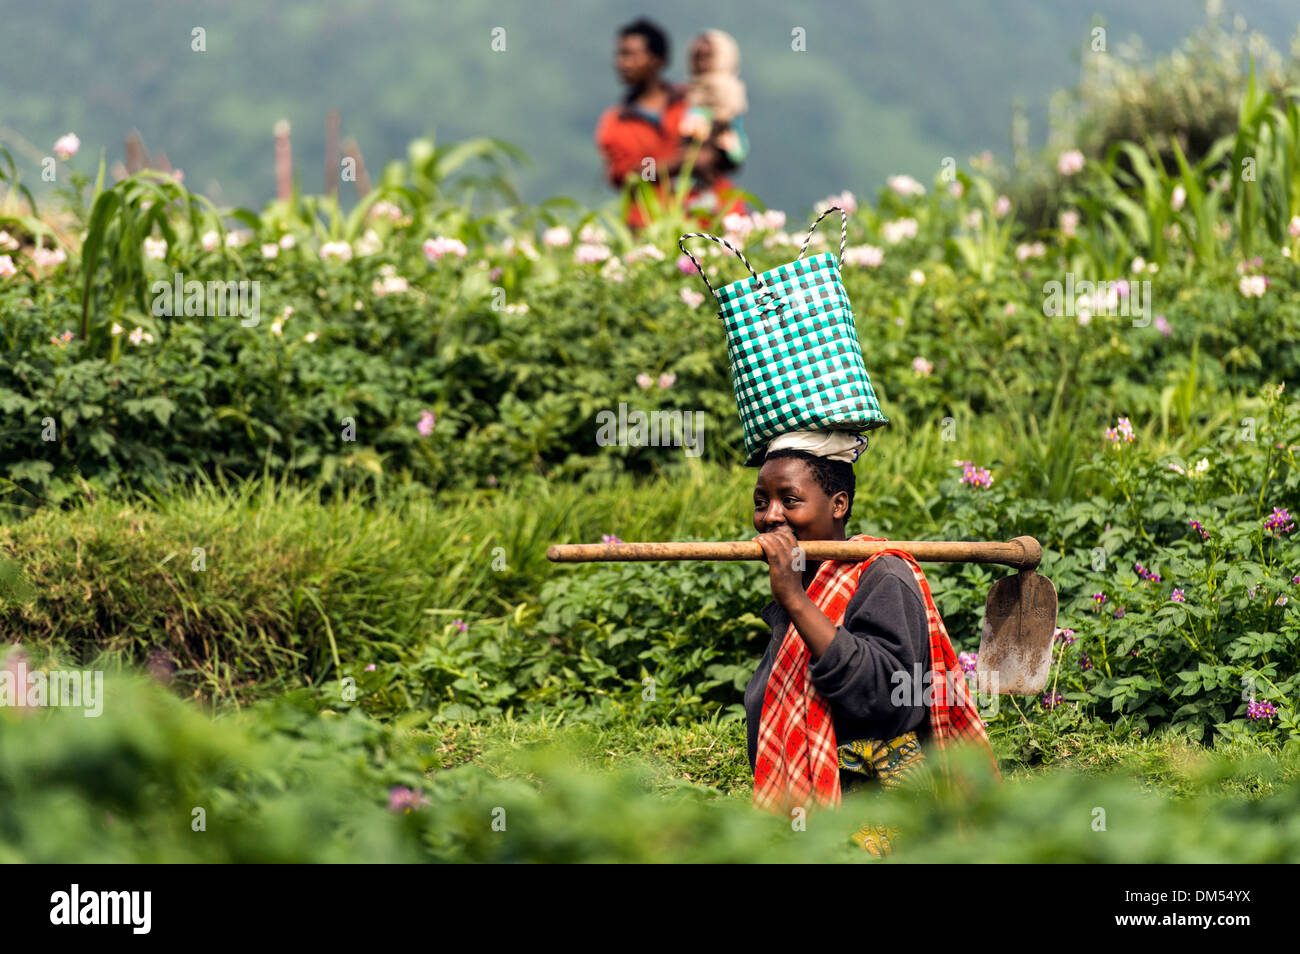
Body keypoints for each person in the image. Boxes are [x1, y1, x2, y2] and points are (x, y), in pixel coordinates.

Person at [746, 430, 998, 855]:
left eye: (789, 500)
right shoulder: (805, 585)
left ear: (839, 504)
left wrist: (793, 598)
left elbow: (884, 694)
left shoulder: (882, 577)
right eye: (761, 502)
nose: (771, 516)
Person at [594, 18, 747, 229]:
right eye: (620, 55)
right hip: (652, 227)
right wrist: (681, 161)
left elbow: (733, 153)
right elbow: (627, 176)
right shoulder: (615, 123)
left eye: (631, 55)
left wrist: (715, 153)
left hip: (714, 218)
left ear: (658, 60)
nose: (622, 63)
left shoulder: (694, 100)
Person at [679, 30, 750, 191]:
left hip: (719, 141)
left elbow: (727, 118)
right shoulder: (691, 90)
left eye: (707, 57)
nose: (701, 63)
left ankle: (707, 188)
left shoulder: (727, 89)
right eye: (697, 57)